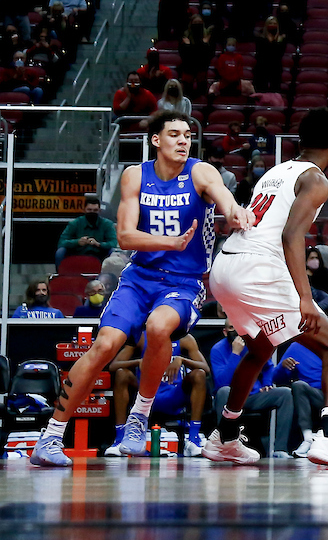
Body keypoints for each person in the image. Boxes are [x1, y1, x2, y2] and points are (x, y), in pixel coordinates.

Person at [30, 111, 254, 467]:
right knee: (104, 346)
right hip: (138, 277)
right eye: (175, 134)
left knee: (158, 327)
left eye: (187, 135)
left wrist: (234, 211)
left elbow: (222, 195)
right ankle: (51, 436)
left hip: (184, 282)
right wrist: (170, 241)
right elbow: (124, 236)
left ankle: (139, 416)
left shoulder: (199, 171)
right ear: (155, 140)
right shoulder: (135, 175)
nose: (184, 141)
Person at [204, 108, 328, 468]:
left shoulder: (276, 170)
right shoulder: (317, 179)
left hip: (225, 266)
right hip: (257, 269)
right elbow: (291, 235)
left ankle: (225, 436)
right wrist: (306, 298)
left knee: (260, 349)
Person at [107, 332, 210, 456]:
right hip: (145, 394)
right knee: (121, 374)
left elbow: (205, 368)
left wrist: (182, 360)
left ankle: (193, 439)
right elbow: (113, 366)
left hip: (173, 394)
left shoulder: (184, 338)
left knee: (199, 374)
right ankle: (119, 439)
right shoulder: (141, 337)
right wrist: (138, 362)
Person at [211, 320, 294, 457]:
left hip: (253, 396)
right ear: (225, 332)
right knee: (223, 391)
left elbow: (268, 367)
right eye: (232, 327)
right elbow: (222, 382)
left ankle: (280, 449)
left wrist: (267, 383)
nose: (236, 331)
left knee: (285, 393)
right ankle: (224, 443)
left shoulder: (252, 345)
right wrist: (235, 354)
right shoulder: (217, 349)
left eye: (239, 327)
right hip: (230, 398)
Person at [55, 194, 117, 266]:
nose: (92, 212)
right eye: (89, 210)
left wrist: (99, 244)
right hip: (78, 253)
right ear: (84, 210)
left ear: (99, 211)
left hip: (100, 255)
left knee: (113, 252)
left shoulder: (107, 224)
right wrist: (77, 242)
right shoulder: (75, 223)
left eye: (95, 210)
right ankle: (60, 275)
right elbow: (61, 242)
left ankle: (111, 276)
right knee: (60, 252)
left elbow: (113, 243)